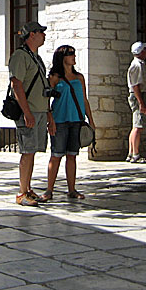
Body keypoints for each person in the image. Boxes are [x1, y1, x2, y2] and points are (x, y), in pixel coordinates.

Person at [9, 21, 55, 206]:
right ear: (32, 35)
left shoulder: (36, 57)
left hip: (39, 110)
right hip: (28, 112)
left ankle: (28, 189)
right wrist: (27, 113)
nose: (44, 35)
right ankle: (21, 193)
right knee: (27, 152)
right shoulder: (20, 56)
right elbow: (16, 84)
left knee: (33, 151)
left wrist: (49, 115)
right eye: (41, 32)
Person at [43, 44, 95, 200]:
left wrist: (91, 120)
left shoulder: (79, 78)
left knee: (72, 156)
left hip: (76, 121)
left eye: (74, 53)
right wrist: (50, 120)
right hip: (59, 121)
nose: (74, 56)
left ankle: (72, 189)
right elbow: (46, 101)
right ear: (62, 57)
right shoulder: (54, 78)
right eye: (70, 53)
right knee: (56, 155)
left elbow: (84, 100)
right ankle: (49, 190)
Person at [126, 41, 146, 164]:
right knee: (138, 126)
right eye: (144, 50)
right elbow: (135, 85)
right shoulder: (137, 65)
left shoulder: (139, 64)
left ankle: (131, 153)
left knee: (135, 125)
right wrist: (141, 102)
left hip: (139, 96)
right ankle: (135, 154)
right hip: (139, 96)